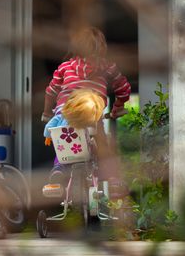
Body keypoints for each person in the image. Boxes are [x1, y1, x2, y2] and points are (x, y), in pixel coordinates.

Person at [41, 26, 131, 198]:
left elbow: (50, 92)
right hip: (91, 113)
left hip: (65, 113)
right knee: (103, 146)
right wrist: (117, 108)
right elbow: (124, 89)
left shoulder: (64, 67)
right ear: (101, 47)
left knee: (64, 145)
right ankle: (112, 179)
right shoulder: (107, 66)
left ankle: (58, 169)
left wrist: (47, 114)